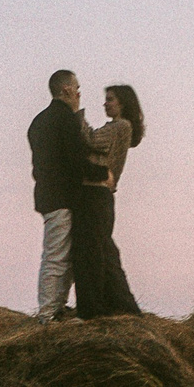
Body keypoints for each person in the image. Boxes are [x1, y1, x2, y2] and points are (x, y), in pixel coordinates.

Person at [27, 69, 98, 320]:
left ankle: (56, 307)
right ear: (66, 89)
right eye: (77, 88)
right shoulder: (65, 119)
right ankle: (48, 313)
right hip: (62, 197)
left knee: (60, 255)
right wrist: (102, 174)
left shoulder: (38, 121)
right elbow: (75, 160)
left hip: (47, 195)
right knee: (56, 256)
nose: (79, 94)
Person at [71, 83, 145, 318]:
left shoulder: (121, 126)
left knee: (93, 252)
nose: (105, 103)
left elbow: (91, 140)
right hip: (98, 196)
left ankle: (103, 306)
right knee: (104, 251)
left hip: (96, 194)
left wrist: (76, 113)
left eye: (110, 99)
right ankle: (121, 305)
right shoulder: (118, 127)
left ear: (123, 103)